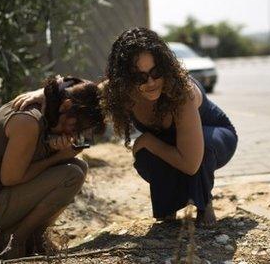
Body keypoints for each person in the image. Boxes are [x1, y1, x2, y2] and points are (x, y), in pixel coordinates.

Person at [14, 28, 238, 226]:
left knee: (199, 150)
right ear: (125, 78)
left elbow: (190, 164)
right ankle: (169, 206)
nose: (150, 82)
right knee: (147, 158)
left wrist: (147, 140)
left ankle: (204, 202)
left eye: (155, 72)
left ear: (166, 67)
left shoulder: (182, 93)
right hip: (174, 142)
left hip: (215, 133)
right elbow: (83, 95)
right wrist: (45, 93)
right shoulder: (121, 90)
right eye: (139, 77)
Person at [0, 76, 105, 259]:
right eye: (75, 127)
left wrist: (53, 147)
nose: (73, 135)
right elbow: (10, 178)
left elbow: (81, 91)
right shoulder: (28, 122)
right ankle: (15, 239)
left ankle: (32, 236)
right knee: (72, 174)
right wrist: (57, 156)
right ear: (66, 106)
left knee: (79, 166)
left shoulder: (53, 109)